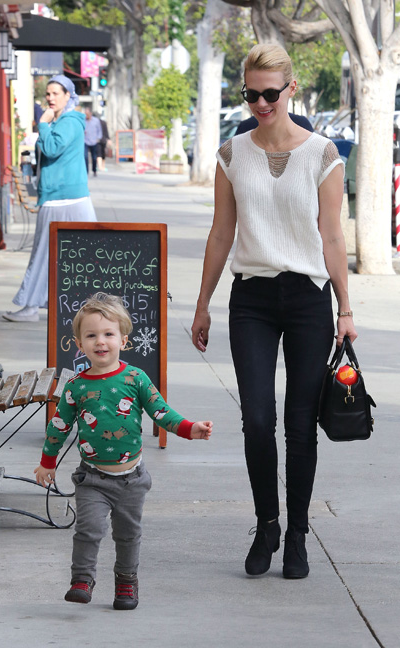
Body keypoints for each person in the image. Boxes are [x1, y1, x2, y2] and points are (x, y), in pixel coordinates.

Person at [191, 44, 357, 580]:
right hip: (253, 299)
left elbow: (333, 236)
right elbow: (222, 232)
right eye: (251, 93)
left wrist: (345, 308)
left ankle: (298, 535)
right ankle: (267, 524)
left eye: (270, 92)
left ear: (291, 88)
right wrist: (203, 304)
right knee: (258, 419)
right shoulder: (232, 154)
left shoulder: (323, 154)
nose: (261, 103)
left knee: (299, 424)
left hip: (309, 299)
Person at [34, 292, 213, 610]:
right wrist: (47, 463)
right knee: (89, 529)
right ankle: (82, 579)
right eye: (91, 335)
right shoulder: (76, 386)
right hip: (92, 478)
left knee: (128, 534)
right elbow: (59, 426)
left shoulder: (135, 378)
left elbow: (161, 412)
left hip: (131, 479)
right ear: (79, 343)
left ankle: (126, 581)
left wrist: (189, 429)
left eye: (108, 334)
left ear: (123, 339)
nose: (100, 342)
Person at [3, 75, 97, 323]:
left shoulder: (68, 121)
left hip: (64, 200)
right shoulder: (64, 121)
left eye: (56, 93)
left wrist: (42, 124)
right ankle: (38, 305)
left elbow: (53, 148)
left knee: (49, 254)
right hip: (63, 198)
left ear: (68, 96)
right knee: (64, 255)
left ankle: (32, 307)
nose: (50, 98)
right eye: (48, 93)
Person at [236, 112, 313, 135]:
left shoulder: (302, 123)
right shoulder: (245, 126)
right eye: (253, 94)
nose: (261, 103)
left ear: (292, 89)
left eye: (271, 94)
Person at [84, 108, 103, 177]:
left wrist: (98, 138)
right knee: (85, 156)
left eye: (87, 114)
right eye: (85, 114)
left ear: (90, 114)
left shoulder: (96, 121)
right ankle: (86, 171)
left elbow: (99, 130)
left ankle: (94, 170)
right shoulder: (83, 121)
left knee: (94, 157)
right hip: (85, 141)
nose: (86, 116)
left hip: (94, 141)